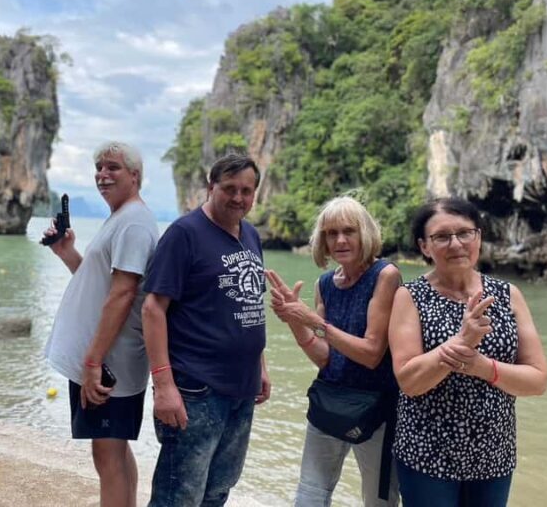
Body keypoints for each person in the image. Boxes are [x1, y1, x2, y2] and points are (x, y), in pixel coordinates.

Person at [388, 197, 547, 507]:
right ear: (424, 246)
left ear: (479, 237)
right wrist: (461, 343)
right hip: (427, 453)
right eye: (442, 237)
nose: (456, 243)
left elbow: (538, 379)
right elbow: (409, 381)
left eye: (465, 233)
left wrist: (483, 366)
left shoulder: (508, 295)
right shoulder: (409, 297)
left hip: (493, 454)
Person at [141, 153, 271, 507]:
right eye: (229, 188)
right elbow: (153, 309)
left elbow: (248, 303)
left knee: (218, 490)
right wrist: (164, 385)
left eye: (247, 190)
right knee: (178, 495)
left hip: (241, 390)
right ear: (211, 187)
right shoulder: (185, 234)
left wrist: (260, 366)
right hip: (196, 389)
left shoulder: (251, 235)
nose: (238, 198)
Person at [44, 141, 159, 507]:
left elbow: (124, 296)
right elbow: (103, 286)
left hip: (111, 362)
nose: (102, 174)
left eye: (114, 167)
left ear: (135, 176)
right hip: (106, 358)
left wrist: (92, 362)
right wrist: (68, 253)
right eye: (99, 167)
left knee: (107, 455)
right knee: (116, 450)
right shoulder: (122, 218)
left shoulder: (134, 224)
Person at [267, 196, 401, 507]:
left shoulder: (385, 275)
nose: (340, 240)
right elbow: (325, 357)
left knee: (380, 500)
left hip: (376, 408)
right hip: (330, 401)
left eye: (349, 231)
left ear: (364, 233)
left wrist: (312, 321)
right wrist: (293, 320)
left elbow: (371, 354)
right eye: (331, 233)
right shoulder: (325, 283)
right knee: (310, 495)